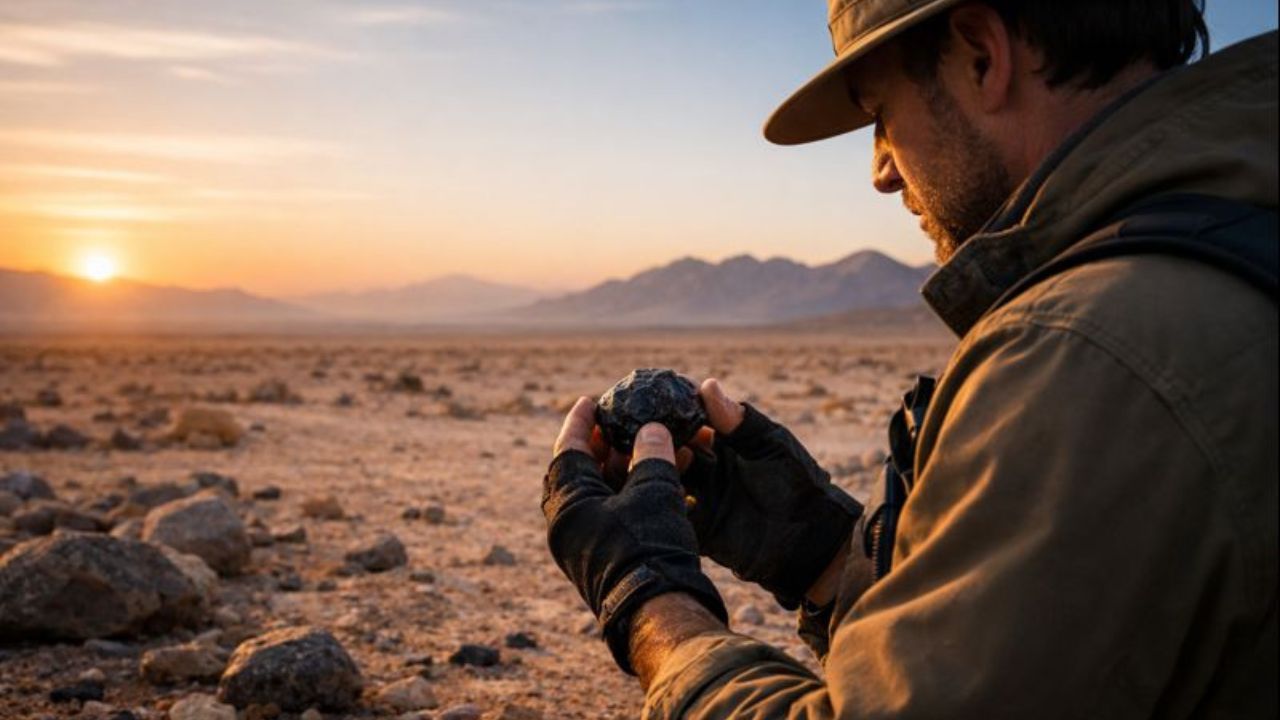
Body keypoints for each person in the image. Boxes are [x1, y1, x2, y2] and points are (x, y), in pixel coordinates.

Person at [542, 0, 1278, 716]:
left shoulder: (1091, 350)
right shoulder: (1230, 245)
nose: (881, 172)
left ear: (982, 55)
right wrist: (823, 553)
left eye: (879, 116)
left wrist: (650, 603)